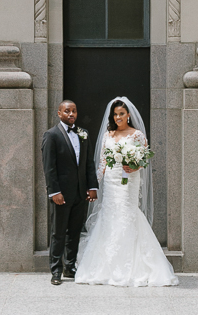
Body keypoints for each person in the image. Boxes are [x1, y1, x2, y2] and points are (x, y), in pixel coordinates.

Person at [74, 96, 178, 287]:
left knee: (127, 214)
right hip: (111, 182)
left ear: (128, 115)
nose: (118, 117)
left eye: (121, 114)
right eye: (115, 114)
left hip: (128, 181)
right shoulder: (108, 135)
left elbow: (144, 161)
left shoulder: (136, 135)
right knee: (109, 216)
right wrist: (94, 185)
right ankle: (105, 267)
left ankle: (132, 266)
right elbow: (103, 163)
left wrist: (135, 166)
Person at [41, 99, 98, 286]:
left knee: (74, 231)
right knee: (58, 232)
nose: (71, 114)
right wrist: (54, 191)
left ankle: (70, 266)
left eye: (74, 111)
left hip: (80, 193)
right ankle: (55, 270)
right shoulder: (51, 135)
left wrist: (92, 187)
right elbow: (49, 168)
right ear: (59, 113)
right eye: (67, 111)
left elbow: (89, 164)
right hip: (61, 194)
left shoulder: (83, 134)